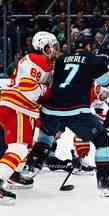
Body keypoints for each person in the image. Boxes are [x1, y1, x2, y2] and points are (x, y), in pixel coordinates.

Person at [25, 38, 109, 197]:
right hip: (75, 110)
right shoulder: (95, 60)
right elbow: (107, 82)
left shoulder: (61, 59)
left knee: (46, 135)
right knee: (102, 139)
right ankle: (104, 182)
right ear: (89, 48)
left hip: (51, 108)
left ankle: (27, 172)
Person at [0, 31, 59, 201]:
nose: (54, 50)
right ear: (44, 46)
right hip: (18, 106)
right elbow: (30, 88)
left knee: (23, 146)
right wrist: (48, 89)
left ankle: (13, 174)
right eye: (52, 46)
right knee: (18, 147)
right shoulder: (40, 60)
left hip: (17, 105)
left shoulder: (31, 59)